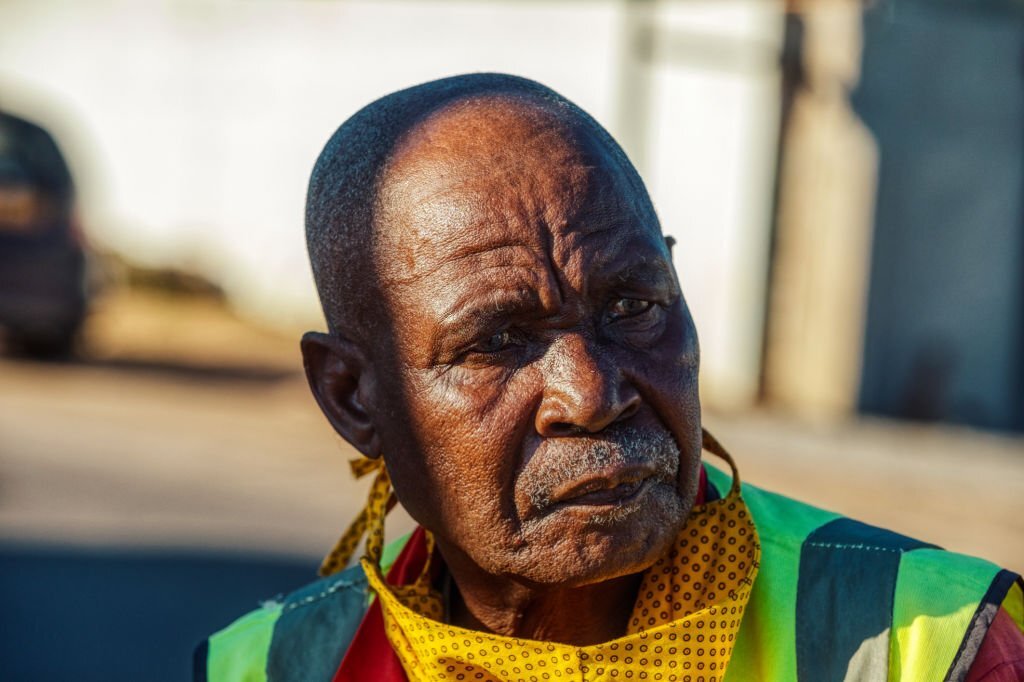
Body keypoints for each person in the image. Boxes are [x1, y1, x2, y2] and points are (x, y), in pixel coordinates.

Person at [195, 74, 1024, 682]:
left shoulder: (932, 640)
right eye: (498, 341)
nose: (592, 393)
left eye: (632, 306)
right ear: (353, 397)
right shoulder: (267, 667)